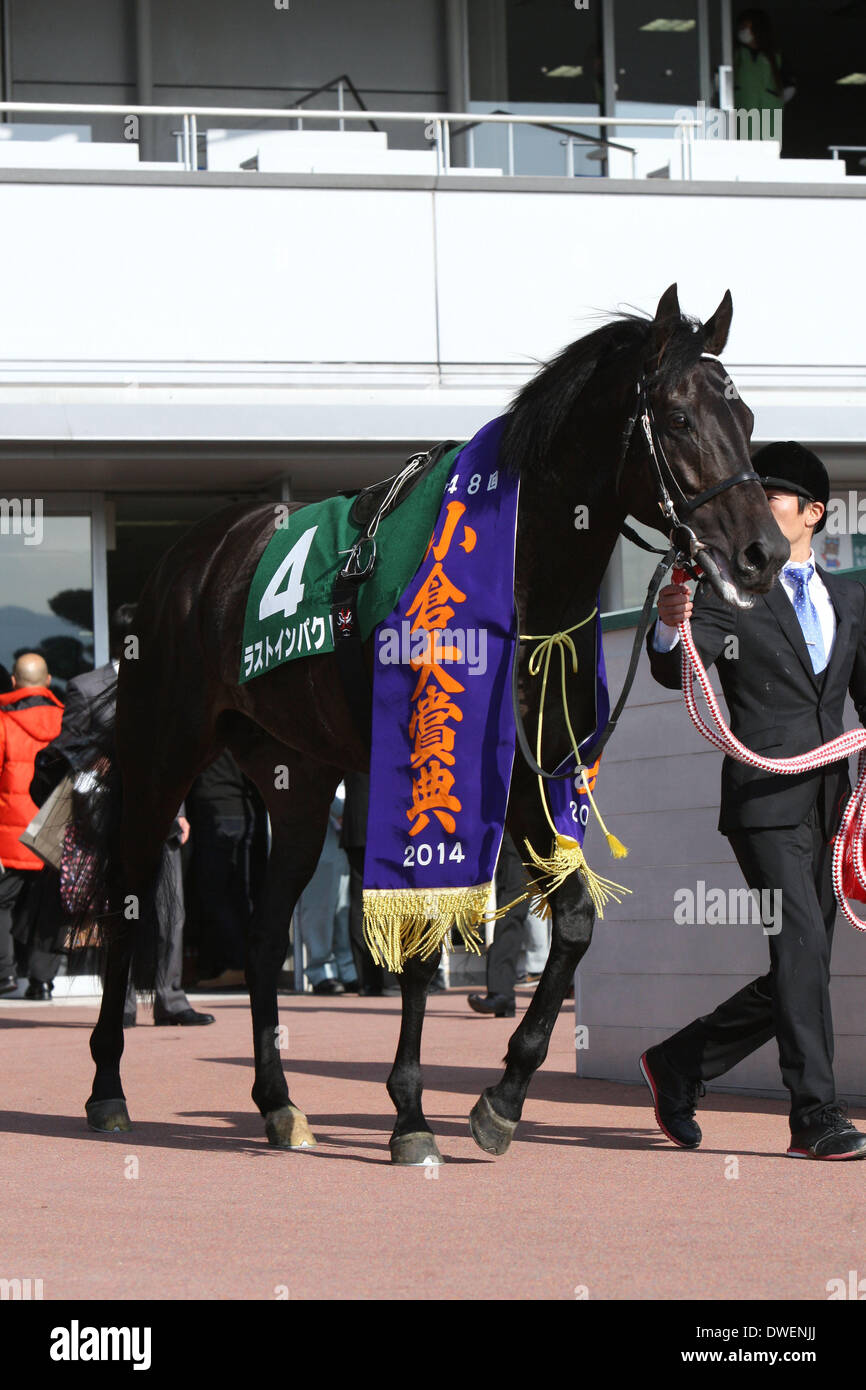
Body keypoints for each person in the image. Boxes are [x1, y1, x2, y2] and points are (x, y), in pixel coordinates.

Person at [642, 442, 866, 1161]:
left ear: (813, 514)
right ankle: (815, 1117)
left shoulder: (851, 599)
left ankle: (681, 1062)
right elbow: (676, 669)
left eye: (774, 497)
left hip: (833, 801)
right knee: (800, 947)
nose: (758, 507)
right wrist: (668, 621)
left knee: (801, 966)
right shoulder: (733, 591)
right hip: (764, 799)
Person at [42, 603, 213, 1027]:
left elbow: (176, 757)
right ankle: (119, 1005)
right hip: (109, 818)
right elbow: (68, 746)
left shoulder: (165, 688)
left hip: (165, 818)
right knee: (120, 910)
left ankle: (171, 1000)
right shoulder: (86, 686)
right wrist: (100, 763)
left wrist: (182, 809)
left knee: (171, 914)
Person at [0, 653, 64, 997]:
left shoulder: (2, 721)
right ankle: (41, 982)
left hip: (10, 831)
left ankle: (5, 976)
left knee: (1, 902)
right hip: (54, 828)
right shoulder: (68, 719)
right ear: (49, 681)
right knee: (50, 906)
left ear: (13, 682)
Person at [187, 749, 265, 989]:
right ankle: (233, 964)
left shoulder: (209, 727)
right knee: (238, 893)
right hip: (242, 810)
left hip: (215, 810)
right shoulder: (244, 727)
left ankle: (235, 964)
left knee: (213, 893)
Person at [294, 784, 358, 995]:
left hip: (347, 831)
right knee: (319, 908)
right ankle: (321, 971)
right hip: (320, 828)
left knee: (344, 907)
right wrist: (347, 812)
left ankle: (347, 969)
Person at [468, 830, 530, 1018]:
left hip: (560, 820)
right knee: (511, 902)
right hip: (516, 815)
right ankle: (501, 991)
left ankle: (569, 985)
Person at [733, 8, 794, 142]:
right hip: (742, 121)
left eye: (746, 27)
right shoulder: (735, 55)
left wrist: (774, 102)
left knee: (768, 154)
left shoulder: (776, 56)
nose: (742, 31)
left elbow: (789, 87)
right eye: (741, 27)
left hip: (769, 122)